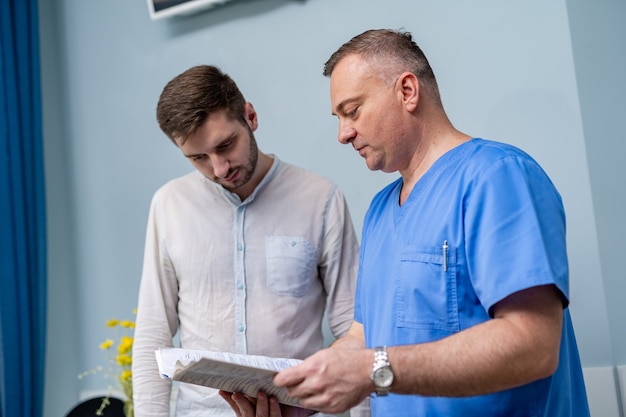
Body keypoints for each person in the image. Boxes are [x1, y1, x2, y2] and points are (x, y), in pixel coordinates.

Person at [262, 28, 589, 417]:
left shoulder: (498, 176)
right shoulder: (380, 212)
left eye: (352, 111)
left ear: (407, 92)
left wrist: (373, 369)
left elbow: (533, 345)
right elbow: (363, 337)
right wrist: (298, 397)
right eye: (338, 118)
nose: (343, 133)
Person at [132, 65, 367, 417]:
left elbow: (355, 329)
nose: (219, 168)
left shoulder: (321, 199)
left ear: (250, 117)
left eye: (225, 145)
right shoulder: (168, 206)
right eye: (198, 158)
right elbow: (153, 333)